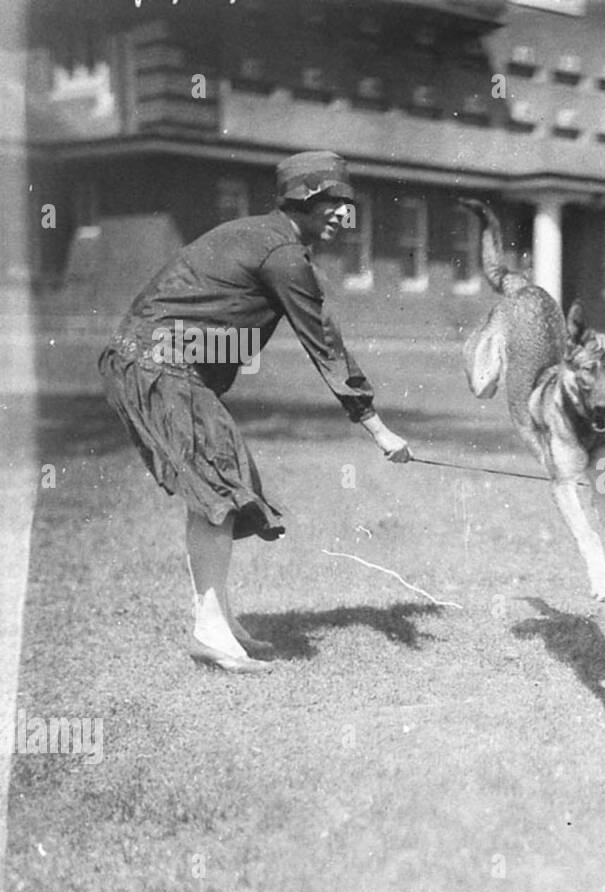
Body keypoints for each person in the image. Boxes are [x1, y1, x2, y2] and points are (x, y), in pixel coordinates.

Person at [99, 151, 411, 673]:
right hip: (160, 369)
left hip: (153, 364)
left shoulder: (261, 235)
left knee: (217, 492)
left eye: (345, 202)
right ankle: (210, 631)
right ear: (302, 199)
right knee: (220, 491)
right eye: (330, 201)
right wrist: (378, 430)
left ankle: (218, 620)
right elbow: (325, 346)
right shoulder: (283, 254)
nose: (341, 213)